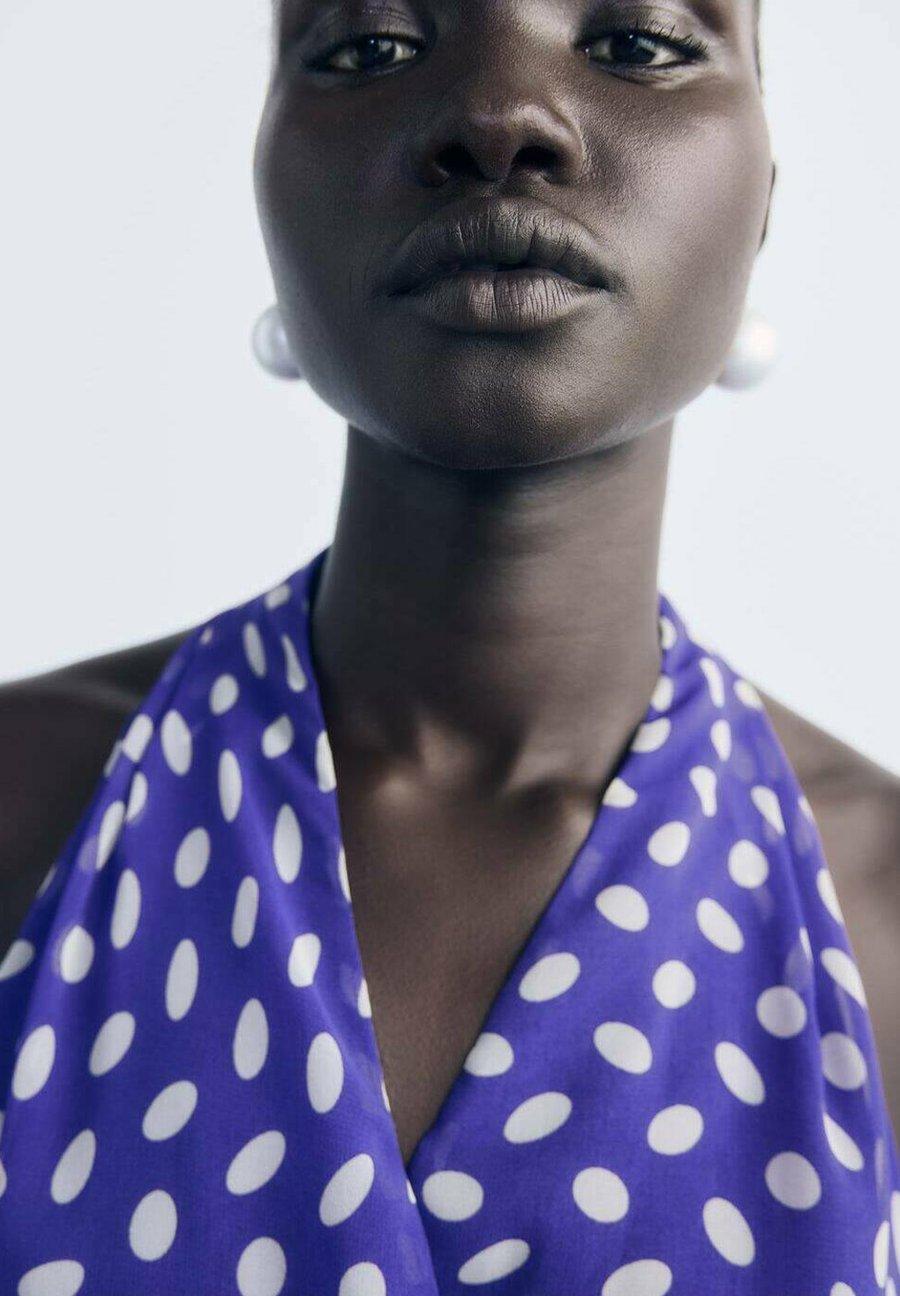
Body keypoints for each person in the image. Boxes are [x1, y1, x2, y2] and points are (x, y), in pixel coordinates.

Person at [1, 1, 898, 1292]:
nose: (499, 118)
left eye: (639, 42)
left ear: (763, 196)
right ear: (265, 174)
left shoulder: (882, 930)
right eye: (372, 44)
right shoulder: (24, 810)